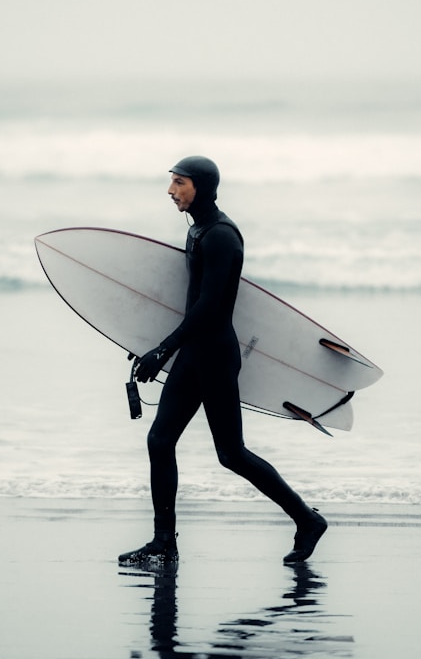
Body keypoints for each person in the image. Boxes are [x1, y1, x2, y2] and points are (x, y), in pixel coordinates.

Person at [118, 156, 327, 566]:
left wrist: (163, 349)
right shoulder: (198, 230)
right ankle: (164, 542)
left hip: (213, 356)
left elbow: (212, 307)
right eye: (172, 182)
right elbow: (191, 300)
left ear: (202, 187)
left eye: (179, 183)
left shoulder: (221, 237)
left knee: (231, 454)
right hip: (194, 352)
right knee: (159, 441)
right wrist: (152, 341)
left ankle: (307, 519)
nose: (170, 190)